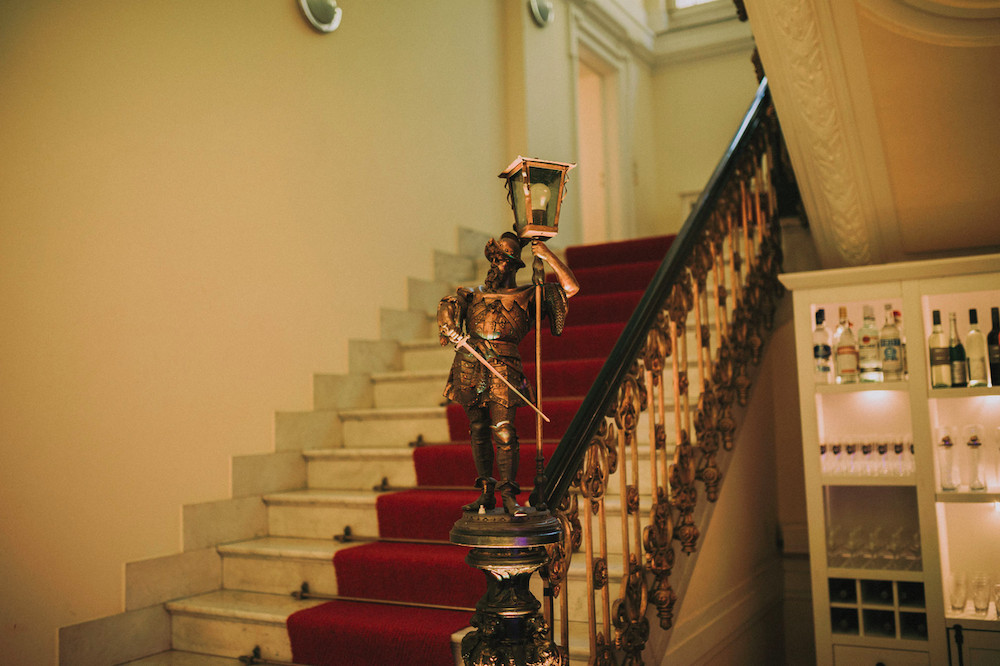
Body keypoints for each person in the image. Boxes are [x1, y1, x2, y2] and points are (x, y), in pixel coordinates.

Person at [438, 231, 579, 515]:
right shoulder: (473, 294)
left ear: (514, 265)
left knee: (503, 431)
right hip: (469, 362)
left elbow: (570, 288)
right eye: (494, 259)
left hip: (504, 365)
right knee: (478, 429)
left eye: (502, 260)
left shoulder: (528, 294)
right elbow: (447, 307)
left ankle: (508, 494)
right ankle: (486, 492)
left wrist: (547, 256)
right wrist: (448, 323)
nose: (495, 265)